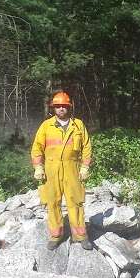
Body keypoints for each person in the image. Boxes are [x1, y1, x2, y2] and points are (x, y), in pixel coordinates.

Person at [31, 91, 93, 250]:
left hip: (72, 168)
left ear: (69, 107)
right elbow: (37, 147)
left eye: (64, 106)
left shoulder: (78, 125)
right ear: (53, 108)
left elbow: (86, 147)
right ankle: (55, 235)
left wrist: (85, 166)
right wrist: (38, 166)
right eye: (57, 106)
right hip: (51, 170)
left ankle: (80, 236)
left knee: (76, 202)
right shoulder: (46, 126)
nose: (61, 109)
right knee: (52, 202)